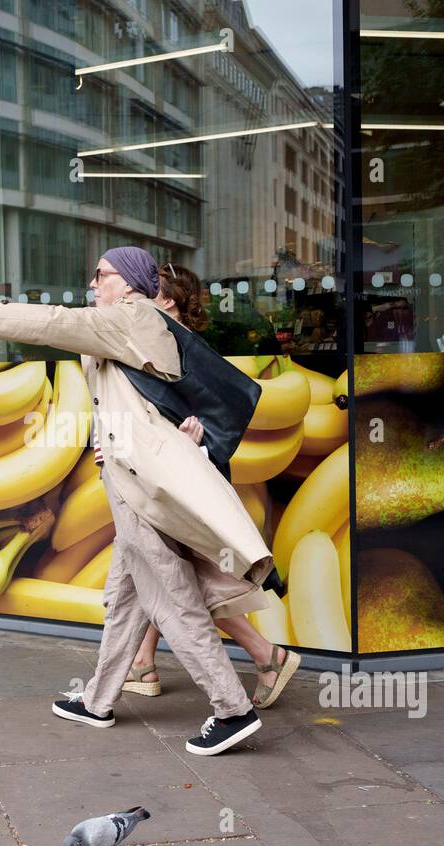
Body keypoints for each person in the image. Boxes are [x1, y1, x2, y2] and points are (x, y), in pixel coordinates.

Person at [0, 247, 271, 756]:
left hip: (144, 491)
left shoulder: (126, 317)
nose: (93, 284)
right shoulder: (129, 326)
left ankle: (232, 709)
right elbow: (140, 398)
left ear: (131, 283)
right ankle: (98, 700)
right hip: (131, 481)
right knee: (124, 600)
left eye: (102, 275)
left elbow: (48, 322)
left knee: (171, 599)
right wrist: (118, 434)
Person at [121, 262, 300, 708]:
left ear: (167, 302)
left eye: (147, 292)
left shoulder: (183, 352)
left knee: (178, 577)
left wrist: (185, 441)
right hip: (166, 478)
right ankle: (143, 661)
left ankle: (265, 655)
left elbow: (211, 416)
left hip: (184, 480)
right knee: (163, 571)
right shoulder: (154, 342)